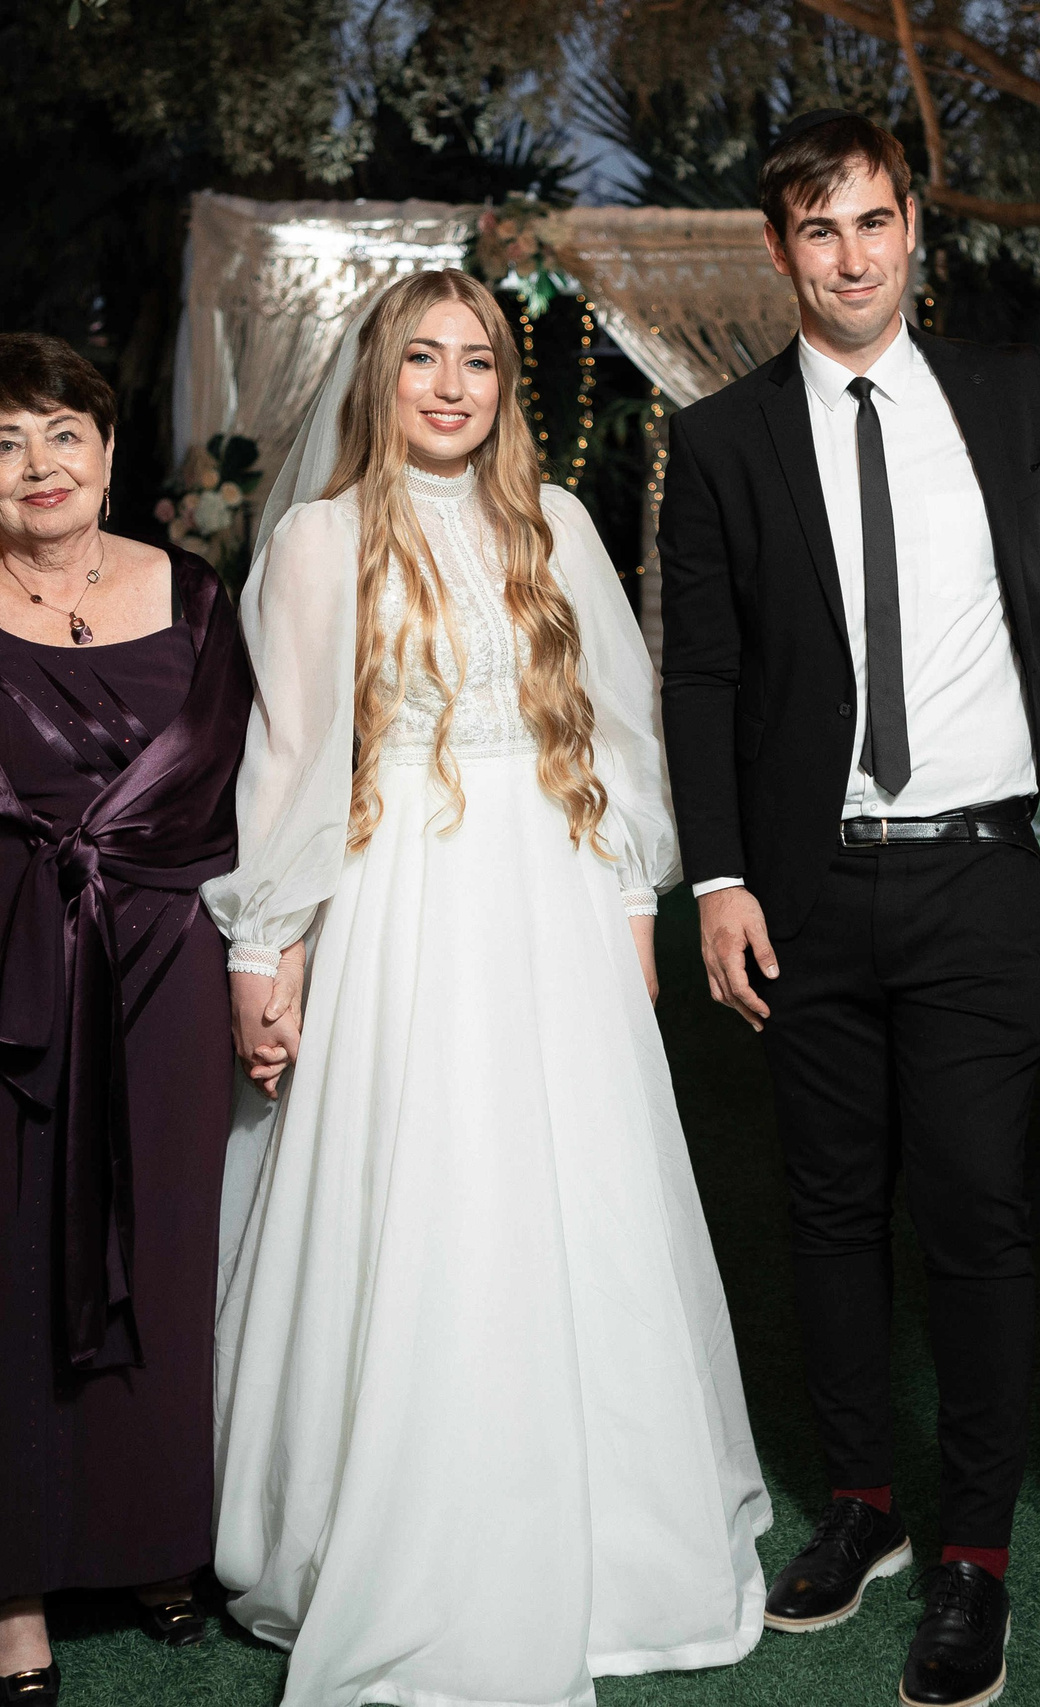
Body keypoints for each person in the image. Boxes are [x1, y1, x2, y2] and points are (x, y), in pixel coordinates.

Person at [200, 267, 769, 1707]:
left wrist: (632, 907)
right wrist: (266, 950)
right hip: (405, 911)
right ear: (379, 379)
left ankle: (614, 1540)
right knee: (424, 1194)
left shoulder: (557, 523)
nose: (453, 387)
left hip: (559, 905)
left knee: (575, 1205)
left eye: (481, 363)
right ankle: (400, 1542)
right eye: (422, 360)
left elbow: (623, 732)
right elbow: (288, 768)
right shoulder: (322, 545)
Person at [657, 109, 1040, 1707]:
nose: (851, 255)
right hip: (807, 885)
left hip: (979, 875)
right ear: (782, 250)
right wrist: (719, 879)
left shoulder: (1010, 398)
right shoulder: (717, 442)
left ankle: (974, 1556)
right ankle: (865, 1508)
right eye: (818, 230)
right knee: (828, 1213)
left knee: (975, 1213)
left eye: (876, 223)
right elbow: (700, 676)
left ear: (919, 233)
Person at [0, 331, 253, 1705]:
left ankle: (146, 1538)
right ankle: (5, 1581)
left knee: (159, 1246)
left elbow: (249, 800)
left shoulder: (197, 599)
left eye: (65, 432)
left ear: (112, 450)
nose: (42, 465)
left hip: (165, 961)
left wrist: (266, 970)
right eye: (6, 443)